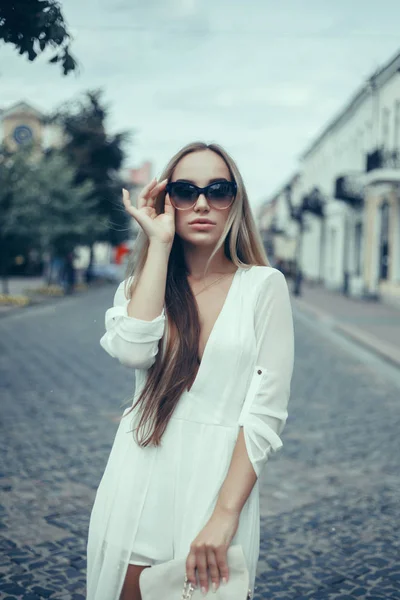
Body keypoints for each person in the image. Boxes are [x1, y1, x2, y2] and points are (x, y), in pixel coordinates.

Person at [86, 141, 295, 600]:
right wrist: (158, 247)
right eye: (185, 190)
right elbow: (132, 351)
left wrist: (225, 516)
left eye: (218, 189)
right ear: (167, 201)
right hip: (140, 474)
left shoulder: (263, 286)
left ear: (235, 201)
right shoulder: (143, 287)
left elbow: (265, 415)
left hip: (217, 481)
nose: (202, 203)